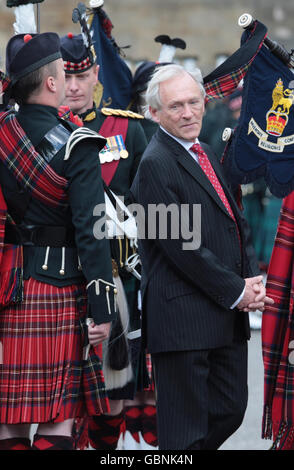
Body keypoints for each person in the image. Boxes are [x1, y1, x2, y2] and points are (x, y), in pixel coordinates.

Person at [130, 63, 274, 450]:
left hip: (222, 314)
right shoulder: (154, 164)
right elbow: (181, 247)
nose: (189, 112)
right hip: (182, 320)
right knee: (184, 434)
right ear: (155, 114)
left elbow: (235, 222)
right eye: (176, 106)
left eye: (194, 102)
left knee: (230, 409)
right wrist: (236, 290)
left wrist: (250, 283)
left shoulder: (205, 152)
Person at [0, 32, 116, 450]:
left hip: (7, 286)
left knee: (10, 423)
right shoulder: (78, 142)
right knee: (57, 422)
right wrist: (102, 308)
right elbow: (91, 230)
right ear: (51, 83)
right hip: (57, 289)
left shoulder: (2, 131)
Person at [60, 32, 148, 450]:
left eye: (81, 75)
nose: (74, 85)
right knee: (57, 389)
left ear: (96, 74)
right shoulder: (41, 128)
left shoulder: (127, 131)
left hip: (116, 276)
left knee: (113, 389)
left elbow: (150, 206)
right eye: (66, 75)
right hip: (57, 273)